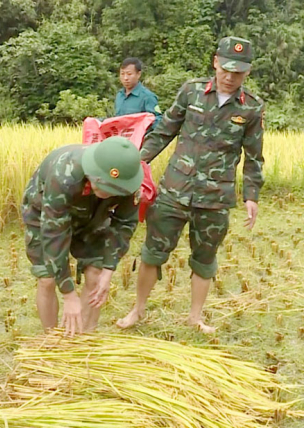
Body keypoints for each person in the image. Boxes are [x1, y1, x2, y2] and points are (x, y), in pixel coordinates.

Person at [116, 37, 264, 334]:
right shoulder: (191, 91)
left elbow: (254, 156)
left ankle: (195, 318)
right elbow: (163, 130)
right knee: (152, 252)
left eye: (238, 72)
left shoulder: (251, 108)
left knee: (205, 259)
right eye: (226, 68)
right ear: (215, 62)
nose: (230, 76)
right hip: (175, 189)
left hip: (215, 197)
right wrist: (136, 161)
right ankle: (138, 310)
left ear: (247, 72)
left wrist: (251, 195)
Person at [21, 136, 144, 336]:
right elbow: (54, 234)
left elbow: (125, 224)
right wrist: (69, 294)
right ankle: (52, 340)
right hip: (46, 212)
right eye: (102, 184)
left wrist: (108, 268)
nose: (106, 191)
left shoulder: (129, 183)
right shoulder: (64, 174)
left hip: (93, 215)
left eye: (113, 189)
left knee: (95, 273)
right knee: (47, 279)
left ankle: (84, 337)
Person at [115, 57, 162, 129]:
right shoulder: (120, 95)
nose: (125, 78)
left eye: (129, 74)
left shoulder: (147, 96)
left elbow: (157, 121)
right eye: (122, 74)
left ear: (138, 74)